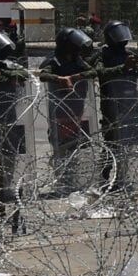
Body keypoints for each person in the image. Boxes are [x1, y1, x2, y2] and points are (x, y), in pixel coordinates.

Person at [93, 20, 138, 189]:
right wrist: (122, 67)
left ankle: (122, 177)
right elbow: (100, 72)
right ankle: (104, 178)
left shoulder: (128, 52)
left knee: (128, 142)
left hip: (131, 101)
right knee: (111, 141)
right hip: (112, 102)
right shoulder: (102, 54)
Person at [39, 28, 98, 195]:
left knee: (75, 146)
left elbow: (92, 71)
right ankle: (61, 182)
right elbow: (44, 75)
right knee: (61, 147)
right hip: (59, 111)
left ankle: (71, 180)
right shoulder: (54, 60)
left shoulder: (77, 60)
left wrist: (76, 77)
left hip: (77, 108)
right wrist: (60, 79)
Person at [0, 31, 30, 212]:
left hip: (8, 119)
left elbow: (23, 73)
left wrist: (4, 72)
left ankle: (6, 188)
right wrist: (7, 76)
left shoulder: (7, 64)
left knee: (8, 156)